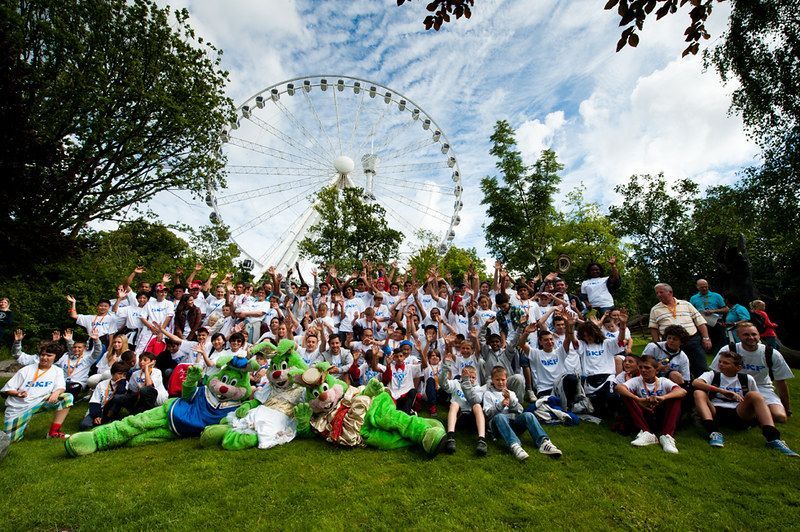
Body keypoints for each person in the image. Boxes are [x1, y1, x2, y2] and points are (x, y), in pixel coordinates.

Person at [693, 350, 797, 456]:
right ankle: (713, 432)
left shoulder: (747, 379)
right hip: (715, 410)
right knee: (698, 393)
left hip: (738, 411)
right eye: (720, 362)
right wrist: (721, 391)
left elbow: (756, 399)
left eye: (726, 363)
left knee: (755, 395)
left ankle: (772, 438)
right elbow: (696, 382)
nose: (721, 365)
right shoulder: (712, 375)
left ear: (738, 367)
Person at [710, 322, 793, 424]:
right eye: (746, 334)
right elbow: (715, 373)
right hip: (734, 386)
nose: (751, 337)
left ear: (759, 335)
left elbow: (781, 381)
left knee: (779, 416)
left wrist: (787, 408)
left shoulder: (771, 353)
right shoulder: (729, 350)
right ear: (738, 336)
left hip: (761, 387)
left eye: (754, 334)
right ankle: (754, 415)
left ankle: (754, 414)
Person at [482, 366, 562, 461]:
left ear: (506, 379)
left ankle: (544, 442)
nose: (500, 382)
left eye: (503, 379)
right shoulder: (488, 394)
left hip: (513, 424)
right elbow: (487, 414)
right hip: (498, 426)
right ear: (492, 380)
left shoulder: (511, 393)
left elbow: (520, 410)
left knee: (528, 414)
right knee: (500, 416)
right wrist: (500, 405)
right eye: (497, 379)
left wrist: (510, 401)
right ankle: (515, 446)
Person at [1, 341, 73, 441]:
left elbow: (61, 387)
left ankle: (53, 432)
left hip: (40, 402)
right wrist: (18, 393)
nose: (44, 358)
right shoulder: (26, 370)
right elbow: (7, 389)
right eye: (43, 354)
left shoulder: (57, 370)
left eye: (49, 355)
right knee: (10, 440)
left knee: (67, 397)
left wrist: (56, 393)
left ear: (55, 358)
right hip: (19, 407)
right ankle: (21, 424)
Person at [615, 355, 687, 454]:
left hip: (661, 416)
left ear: (656, 370)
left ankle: (667, 436)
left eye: (647, 368)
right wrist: (638, 399)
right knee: (627, 395)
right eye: (641, 367)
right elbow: (619, 387)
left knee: (676, 397)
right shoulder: (637, 380)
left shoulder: (663, 381)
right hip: (645, 415)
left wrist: (663, 398)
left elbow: (682, 391)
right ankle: (646, 433)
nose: (643, 370)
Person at [648, 283, 712, 379]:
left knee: (701, 367)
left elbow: (700, 321)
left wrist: (706, 338)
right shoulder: (655, 309)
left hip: (692, 341)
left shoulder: (686, 304)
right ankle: (681, 388)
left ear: (670, 292)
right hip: (670, 343)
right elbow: (653, 328)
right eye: (657, 293)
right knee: (673, 369)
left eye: (661, 292)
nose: (658, 295)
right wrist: (658, 345)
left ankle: (703, 389)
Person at [441, 365, 487, 456]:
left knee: (477, 406)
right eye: (468, 376)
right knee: (454, 404)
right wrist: (445, 370)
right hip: (459, 417)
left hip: (472, 419)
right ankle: (450, 437)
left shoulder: (478, 388)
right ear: (461, 375)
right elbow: (444, 385)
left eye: (473, 377)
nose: (471, 379)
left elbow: (475, 400)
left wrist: (466, 383)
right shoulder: (456, 383)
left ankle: (482, 440)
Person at [79, 361, 130, 430]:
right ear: (112, 373)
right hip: (98, 410)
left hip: (111, 411)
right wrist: (97, 416)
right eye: (120, 374)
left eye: (124, 374)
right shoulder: (102, 384)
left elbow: (120, 394)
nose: (122, 376)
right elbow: (94, 401)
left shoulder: (125, 384)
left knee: (118, 398)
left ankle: (108, 420)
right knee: (84, 425)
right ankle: (98, 420)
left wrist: (122, 383)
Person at [689, 279, 728, 352]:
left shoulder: (716, 296)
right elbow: (690, 311)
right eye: (702, 287)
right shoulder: (693, 298)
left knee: (721, 342)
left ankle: (722, 352)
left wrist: (713, 311)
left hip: (716, 322)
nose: (704, 289)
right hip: (702, 323)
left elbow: (726, 309)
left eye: (706, 287)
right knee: (705, 342)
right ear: (697, 287)